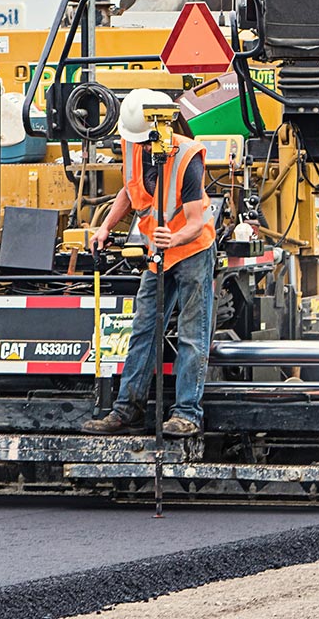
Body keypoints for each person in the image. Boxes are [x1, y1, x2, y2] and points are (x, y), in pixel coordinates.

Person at [81, 89, 216, 438]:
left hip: (190, 250)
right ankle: (128, 410)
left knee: (191, 333)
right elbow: (130, 189)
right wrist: (106, 226)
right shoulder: (132, 144)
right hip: (157, 253)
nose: (139, 148)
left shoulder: (187, 158)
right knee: (143, 329)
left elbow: (195, 221)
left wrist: (176, 239)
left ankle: (187, 413)